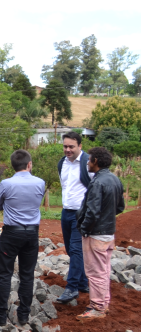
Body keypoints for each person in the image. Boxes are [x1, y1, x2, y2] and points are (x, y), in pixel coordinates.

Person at [0, 150, 46, 327]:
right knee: (27, 275)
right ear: (29, 165)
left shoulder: (6, 183)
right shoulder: (40, 182)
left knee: (5, 275)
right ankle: (23, 315)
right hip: (32, 233)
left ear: (13, 166)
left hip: (12, 233)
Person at [75, 147, 125, 320]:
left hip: (96, 234)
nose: (87, 163)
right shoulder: (115, 180)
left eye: (89, 160)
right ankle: (103, 303)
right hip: (109, 233)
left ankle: (97, 308)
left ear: (96, 161)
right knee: (104, 270)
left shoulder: (97, 183)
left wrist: (84, 229)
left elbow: (92, 212)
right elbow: (120, 207)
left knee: (95, 272)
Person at [56, 131, 94, 304]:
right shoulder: (61, 164)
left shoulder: (88, 163)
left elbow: (95, 188)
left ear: (80, 146)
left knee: (77, 249)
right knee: (71, 250)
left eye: (71, 146)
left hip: (82, 213)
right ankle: (83, 282)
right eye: (65, 146)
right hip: (66, 212)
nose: (68, 150)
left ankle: (72, 288)